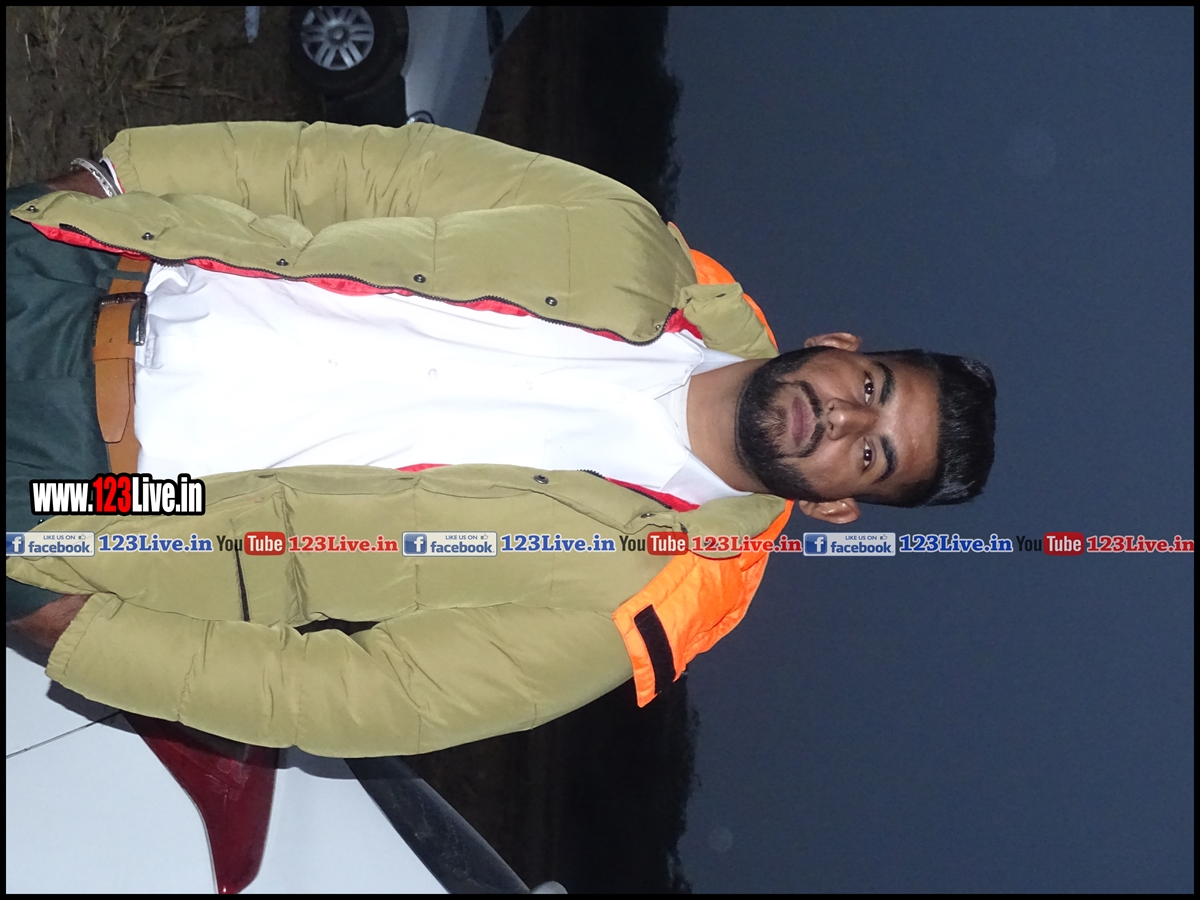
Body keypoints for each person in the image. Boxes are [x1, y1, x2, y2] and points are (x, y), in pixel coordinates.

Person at [6, 122, 996, 756]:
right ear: (841, 347)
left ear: (836, 503)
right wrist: (119, 177)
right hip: (95, 275)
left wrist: (77, 631)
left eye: (873, 453)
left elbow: (349, 699)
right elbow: (362, 173)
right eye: (873, 390)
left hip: (98, 486)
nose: (845, 419)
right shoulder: (623, 240)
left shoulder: (627, 598)